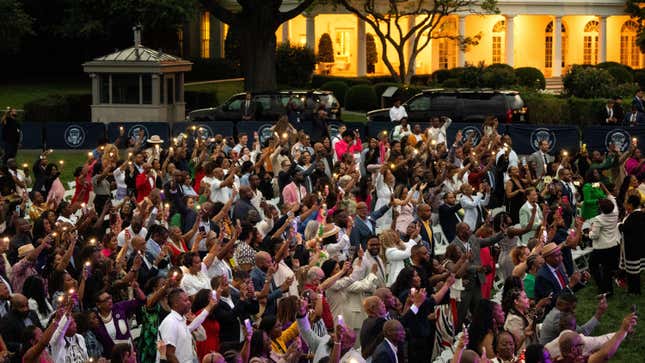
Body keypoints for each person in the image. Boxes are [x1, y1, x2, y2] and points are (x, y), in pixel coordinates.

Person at [158, 288, 217, 363]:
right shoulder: (171, 322)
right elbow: (169, 354)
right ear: (176, 303)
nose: (189, 303)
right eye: (185, 301)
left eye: (189, 300)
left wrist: (210, 306)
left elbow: (195, 323)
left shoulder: (181, 319)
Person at [587, 189, 620, 296]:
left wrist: (589, 232)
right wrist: (604, 188)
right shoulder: (615, 213)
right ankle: (609, 290)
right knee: (607, 269)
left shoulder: (598, 219)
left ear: (600, 209)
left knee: (592, 265)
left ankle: (602, 287)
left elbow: (594, 235)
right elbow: (613, 200)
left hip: (601, 248)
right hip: (614, 246)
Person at [619, 194, 645, 294]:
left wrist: (619, 225)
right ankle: (634, 288)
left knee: (633, 271)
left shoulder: (634, 216)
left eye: (626, 203)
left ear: (630, 205)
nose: (625, 204)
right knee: (636, 270)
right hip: (639, 244)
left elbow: (625, 229)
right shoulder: (640, 214)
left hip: (632, 246)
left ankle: (634, 290)